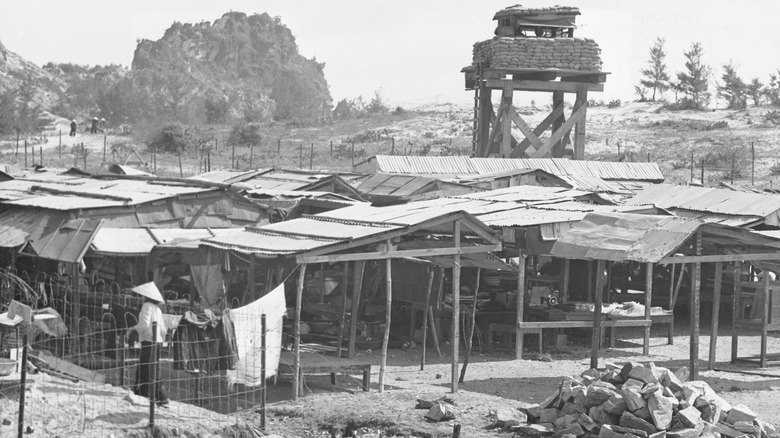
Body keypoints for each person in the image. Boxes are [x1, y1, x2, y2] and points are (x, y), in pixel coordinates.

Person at [129, 282, 169, 407]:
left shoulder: (146, 306)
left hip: (149, 340)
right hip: (157, 341)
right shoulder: (158, 309)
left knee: (149, 368)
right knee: (148, 367)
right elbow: (163, 329)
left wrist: (132, 328)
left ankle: (161, 397)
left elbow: (144, 324)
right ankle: (142, 392)